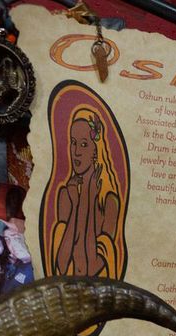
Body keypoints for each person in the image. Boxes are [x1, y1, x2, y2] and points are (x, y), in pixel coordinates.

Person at [52, 107, 122, 279]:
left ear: (95, 150)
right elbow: (61, 264)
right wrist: (76, 205)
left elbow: (89, 268)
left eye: (84, 144)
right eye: (73, 142)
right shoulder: (66, 194)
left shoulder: (109, 202)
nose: (76, 152)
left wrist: (88, 197)